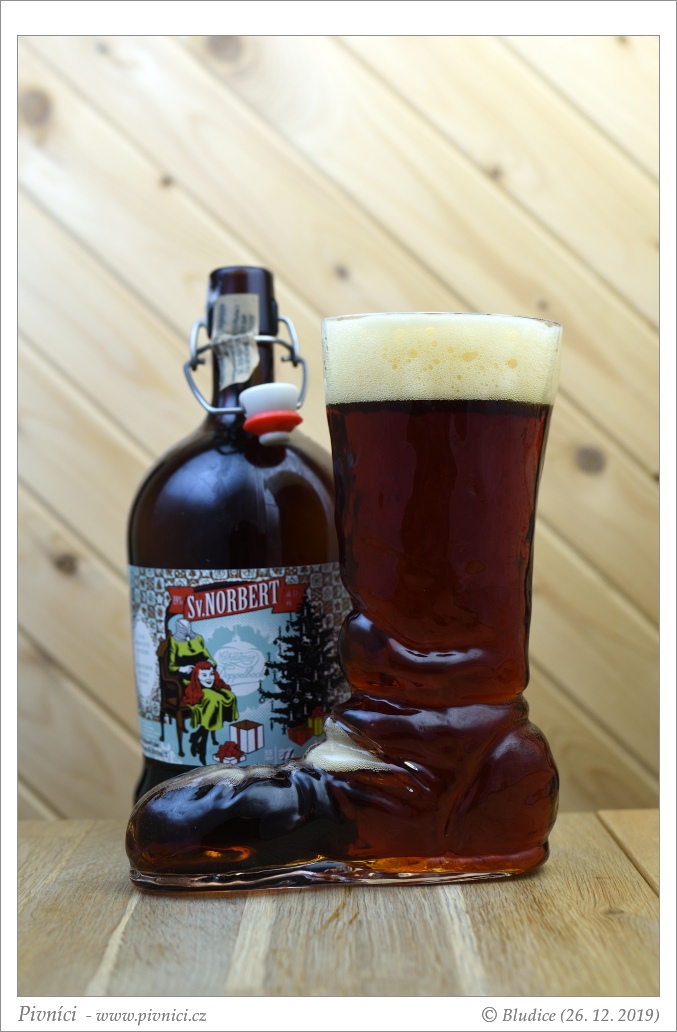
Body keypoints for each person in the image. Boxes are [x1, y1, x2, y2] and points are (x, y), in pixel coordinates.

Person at [184, 661, 239, 765]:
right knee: (215, 699)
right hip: (200, 691)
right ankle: (202, 748)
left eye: (211, 674)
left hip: (212, 689)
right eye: (204, 675)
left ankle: (197, 735)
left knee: (230, 696)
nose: (209, 678)